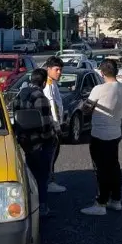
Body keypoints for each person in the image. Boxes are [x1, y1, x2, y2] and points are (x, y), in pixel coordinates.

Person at [7, 68, 59, 217]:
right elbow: (46, 125)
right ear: (44, 82)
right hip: (40, 143)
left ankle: (30, 205)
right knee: (42, 176)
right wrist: (53, 137)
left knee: (30, 174)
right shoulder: (40, 98)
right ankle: (42, 207)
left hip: (26, 142)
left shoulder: (19, 96)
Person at [79, 59, 122, 216]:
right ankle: (116, 200)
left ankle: (101, 203)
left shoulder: (99, 89)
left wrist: (83, 105)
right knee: (114, 167)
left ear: (102, 73)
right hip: (115, 133)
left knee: (101, 169)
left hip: (100, 134)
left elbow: (86, 109)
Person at [42, 56, 67, 193]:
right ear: (48, 69)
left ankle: (49, 180)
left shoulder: (52, 83)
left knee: (53, 154)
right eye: (56, 69)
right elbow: (52, 106)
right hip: (52, 126)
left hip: (54, 125)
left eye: (60, 70)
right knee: (51, 155)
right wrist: (57, 126)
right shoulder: (48, 84)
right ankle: (49, 182)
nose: (59, 72)